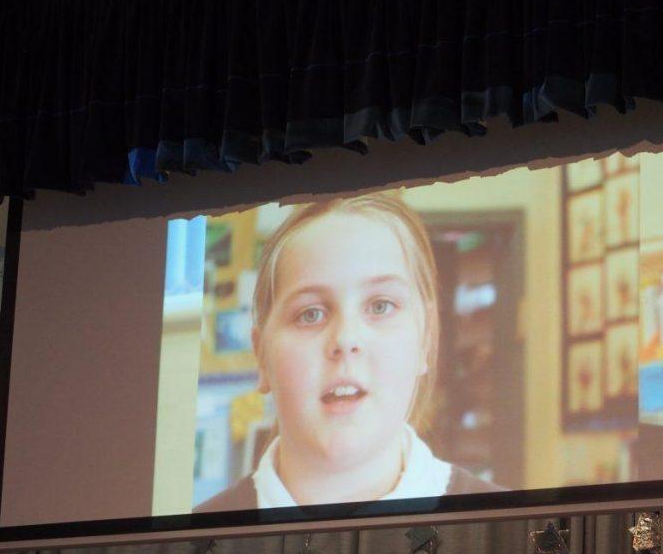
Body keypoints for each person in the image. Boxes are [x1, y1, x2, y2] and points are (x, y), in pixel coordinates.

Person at [195, 194, 500, 512]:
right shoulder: (195, 538)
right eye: (310, 314)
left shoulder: (506, 529)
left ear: (427, 337)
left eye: (380, 306)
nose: (346, 339)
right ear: (261, 354)